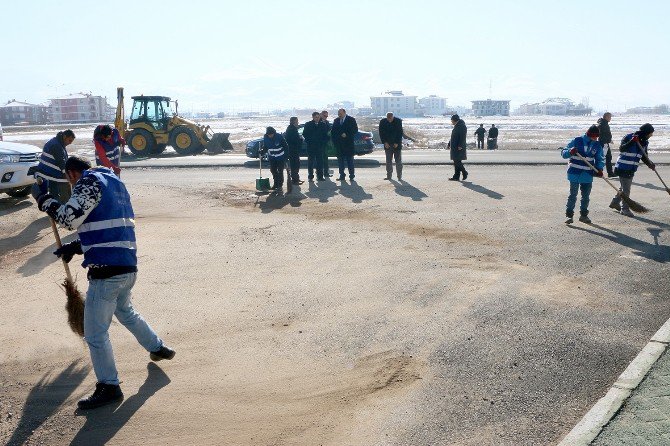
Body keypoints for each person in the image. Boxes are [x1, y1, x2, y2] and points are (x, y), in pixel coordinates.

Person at [30, 155, 175, 410]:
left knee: (95, 334)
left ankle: (109, 386)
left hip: (106, 272)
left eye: (69, 181)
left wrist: (44, 199)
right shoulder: (115, 184)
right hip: (127, 265)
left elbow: (68, 218)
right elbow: (109, 226)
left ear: (73, 174)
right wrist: (77, 246)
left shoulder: (89, 182)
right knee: (126, 311)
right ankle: (157, 346)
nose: (71, 187)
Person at [609, 123, 656, 217]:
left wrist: (649, 164)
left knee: (623, 187)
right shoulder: (629, 137)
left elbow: (644, 155)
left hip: (632, 168)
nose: (651, 135)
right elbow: (621, 149)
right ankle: (625, 209)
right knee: (626, 190)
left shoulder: (645, 142)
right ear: (646, 132)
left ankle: (615, 202)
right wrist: (632, 141)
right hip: (623, 167)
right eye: (650, 133)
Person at [560, 125, 604, 224]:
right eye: (594, 136)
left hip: (588, 174)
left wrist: (599, 169)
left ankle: (583, 216)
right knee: (573, 195)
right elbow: (563, 153)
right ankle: (569, 215)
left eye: (597, 137)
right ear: (589, 135)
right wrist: (570, 152)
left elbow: (600, 158)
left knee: (586, 197)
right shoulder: (577, 141)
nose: (596, 138)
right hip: (574, 173)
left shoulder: (597, 145)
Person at [35, 129, 76, 202]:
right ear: (64, 136)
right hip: (51, 171)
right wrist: (65, 173)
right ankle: (64, 206)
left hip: (48, 171)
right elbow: (61, 161)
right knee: (64, 187)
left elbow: (63, 159)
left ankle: (55, 207)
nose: (70, 143)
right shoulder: (56, 145)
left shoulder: (58, 142)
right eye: (69, 140)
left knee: (54, 191)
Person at [331, 108, 358, 181]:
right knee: (340, 161)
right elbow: (333, 132)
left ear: (344, 113)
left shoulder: (351, 119)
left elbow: (355, 130)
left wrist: (347, 134)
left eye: (341, 113)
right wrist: (335, 142)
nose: (339, 115)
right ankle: (342, 175)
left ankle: (351, 175)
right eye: (338, 113)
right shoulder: (336, 120)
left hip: (348, 144)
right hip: (339, 145)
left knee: (350, 161)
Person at [302, 112, 328, 181]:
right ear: (313, 117)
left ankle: (320, 176)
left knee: (320, 162)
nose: (317, 118)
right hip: (311, 146)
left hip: (319, 146)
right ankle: (310, 176)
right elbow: (305, 134)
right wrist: (309, 141)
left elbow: (325, 135)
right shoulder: (308, 124)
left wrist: (323, 143)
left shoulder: (322, 124)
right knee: (310, 162)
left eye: (318, 117)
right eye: (316, 117)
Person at [379, 112, 404, 180]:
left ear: (393, 117)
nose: (389, 120)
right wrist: (384, 142)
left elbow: (400, 133)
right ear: (386, 117)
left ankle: (399, 176)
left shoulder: (398, 121)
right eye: (388, 119)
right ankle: (389, 176)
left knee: (398, 161)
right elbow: (381, 133)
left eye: (391, 119)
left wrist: (397, 142)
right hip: (387, 145)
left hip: (396, 145)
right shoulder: (383, 122)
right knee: (388, 161)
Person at [448, 114, 468, 181]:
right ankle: (456, 176)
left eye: (452, 121)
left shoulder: (462, 126)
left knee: (457, 161)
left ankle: (464, 172)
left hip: (458, 147)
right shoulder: (457, 126)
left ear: (454, 120)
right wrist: (449, 144)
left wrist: (460, 145)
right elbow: (453, 136)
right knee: (456, 161)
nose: (451, 122)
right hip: (454, 146)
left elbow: (463, 137)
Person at [284, 117, 304, 185]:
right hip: (292, 150)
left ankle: (296, 178)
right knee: (294, 165)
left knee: (296, 164)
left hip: (294, 149)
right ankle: (295, 180)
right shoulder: (291, 129)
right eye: (297, 121)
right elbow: (293, 140)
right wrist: (300, 139)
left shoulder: (292, 128)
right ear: (293, 122)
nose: (298, 123)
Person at [597, 112, 615, 177]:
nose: (610, 118)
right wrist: (606, 140)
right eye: (609, 117)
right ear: (606, 117)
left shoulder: (604, 123)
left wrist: (609, 140)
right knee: (604, 158)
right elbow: (600, 132)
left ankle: (609, 173)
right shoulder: (603, 124)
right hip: (603, 143)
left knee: (607, 157)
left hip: (605, 142)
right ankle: (601, 172)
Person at [320, 110, 333, 178]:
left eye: (327, 116)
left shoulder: (327, 122)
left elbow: (329, 131)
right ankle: (320, 173)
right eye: (325, 116)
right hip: (319, 143)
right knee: (319, 159)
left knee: (325, 158)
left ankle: (326, 172)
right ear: (321, 115)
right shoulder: (318, 122)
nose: (326, 117)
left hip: (325, 143)